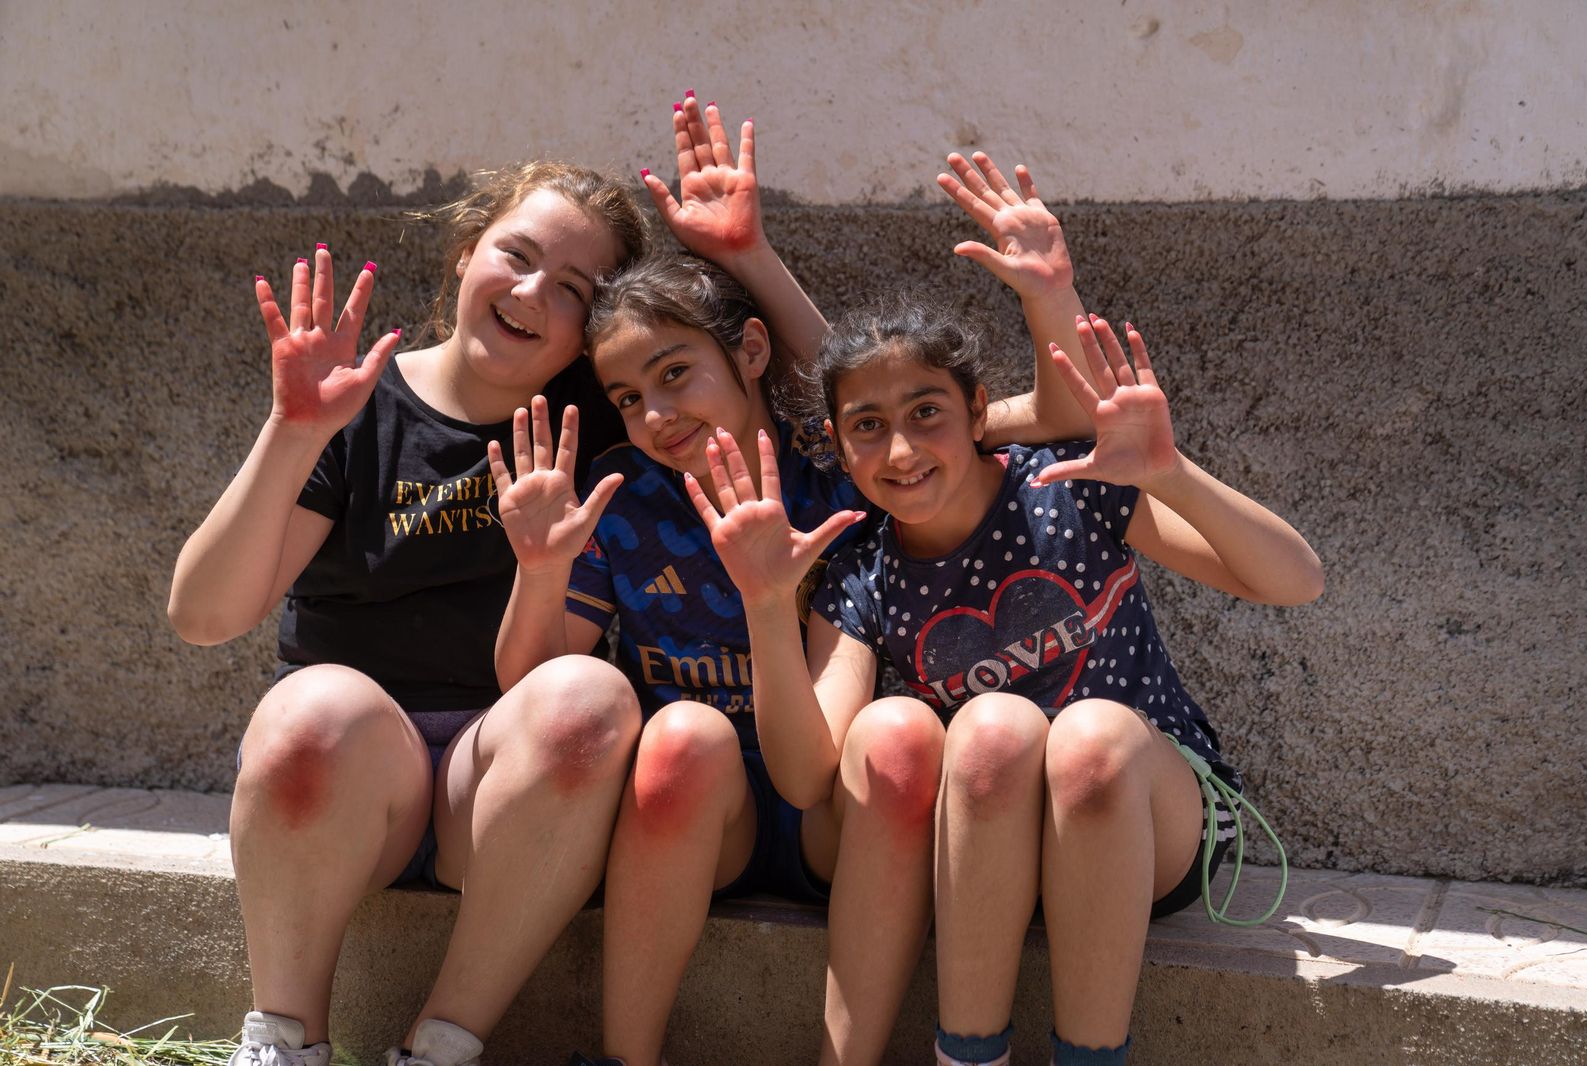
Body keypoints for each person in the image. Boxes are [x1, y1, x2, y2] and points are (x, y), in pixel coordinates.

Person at [167, 91, 815, 1066]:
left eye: (575, 290)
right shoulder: (354, 402)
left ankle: (441, 1044)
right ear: (468, 249)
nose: (532, 293)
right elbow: (204, 615)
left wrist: (746, 256)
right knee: (313, 711)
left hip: (518, 792)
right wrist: (293, 429)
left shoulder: (612, 419)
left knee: (590, 695)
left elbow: (831, 400)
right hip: (353, 785)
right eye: (518, 255)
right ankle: (286, 1040)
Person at [494, 125, 1102, 1065]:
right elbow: (534, 694)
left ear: (745, 352)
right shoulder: (622, 500)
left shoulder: (845, 469)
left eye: (673, 375)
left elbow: (1031, 414)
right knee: (688, 738)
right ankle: (625, 1058)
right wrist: (538, 572)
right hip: (698, 817)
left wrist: (748, 255)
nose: (656, 415)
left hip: (837, 814)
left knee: (898, 735)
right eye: (626, 397)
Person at [690, 303, 1324, 1066]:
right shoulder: (865, 569)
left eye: (927, 412)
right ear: (836, 444)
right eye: (866, 425)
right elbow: (804, 778)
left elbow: (1294, 582)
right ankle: (966, 1057)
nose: (901, 448)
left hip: (1145, 818)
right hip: (989, 843)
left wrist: (1171, 474)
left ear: (978, 411)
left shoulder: (1067, 487)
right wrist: (765, 606)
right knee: (988, 730)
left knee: (1089, 738)